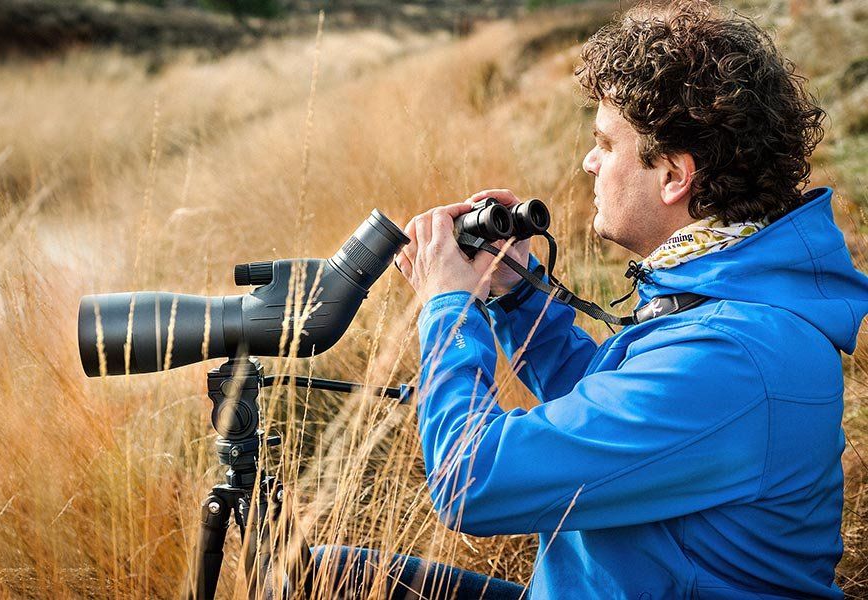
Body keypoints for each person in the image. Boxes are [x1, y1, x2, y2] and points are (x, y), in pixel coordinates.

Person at [314, 0, 868, 598]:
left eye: (606, 143)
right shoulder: (732, 296)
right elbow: (610, 411)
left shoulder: (735, 355)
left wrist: (449, 307)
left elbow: (470, 481)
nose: (589, 161)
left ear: (675, 176)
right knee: (315, 573)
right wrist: (514, 295)